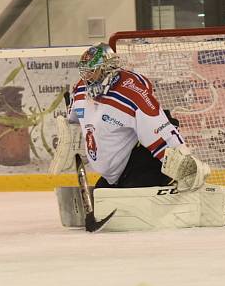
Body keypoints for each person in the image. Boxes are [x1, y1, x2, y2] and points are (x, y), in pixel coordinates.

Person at [52, 43, 209, 192]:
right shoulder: (81, 90)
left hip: (139, 162)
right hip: (113, 176)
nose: (87, 78)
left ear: (108, 68)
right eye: (85, 72)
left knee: (125, 204)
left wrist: (185, 161)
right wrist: (75, 140)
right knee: (102, 195)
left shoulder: (131, 93)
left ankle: (166, 180)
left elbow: (161, 131)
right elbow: (75, 118)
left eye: (92, 71)